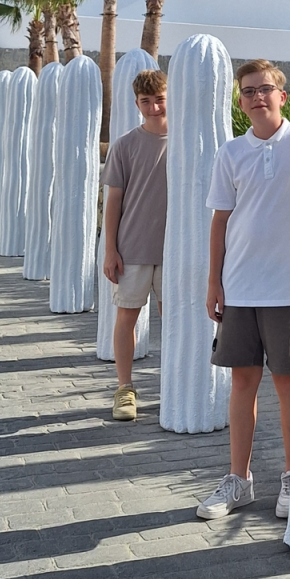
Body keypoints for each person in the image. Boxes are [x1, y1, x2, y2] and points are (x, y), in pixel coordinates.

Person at [196, 59, 290, 522]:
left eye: (264, 89)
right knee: (242, 382)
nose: (257, 97)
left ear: (282, 95)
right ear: (240, 102)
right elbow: (220, 220)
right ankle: (238, 481)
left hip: (289, 288)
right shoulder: (230, 153)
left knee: (288, 385)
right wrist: (214, 281)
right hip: (240, 287)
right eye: (248, 91)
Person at [101, 68, 168, 423]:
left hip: (173, 252)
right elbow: (113, 201)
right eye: (146, 101)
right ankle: (124, 389)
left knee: (174, 320)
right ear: (136, 103)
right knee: (127, 318)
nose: (154, 107)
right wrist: (110, 250)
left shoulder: (187, 142)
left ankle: (173, 384)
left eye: (160, 99)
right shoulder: (125, 145)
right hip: (132, 249)